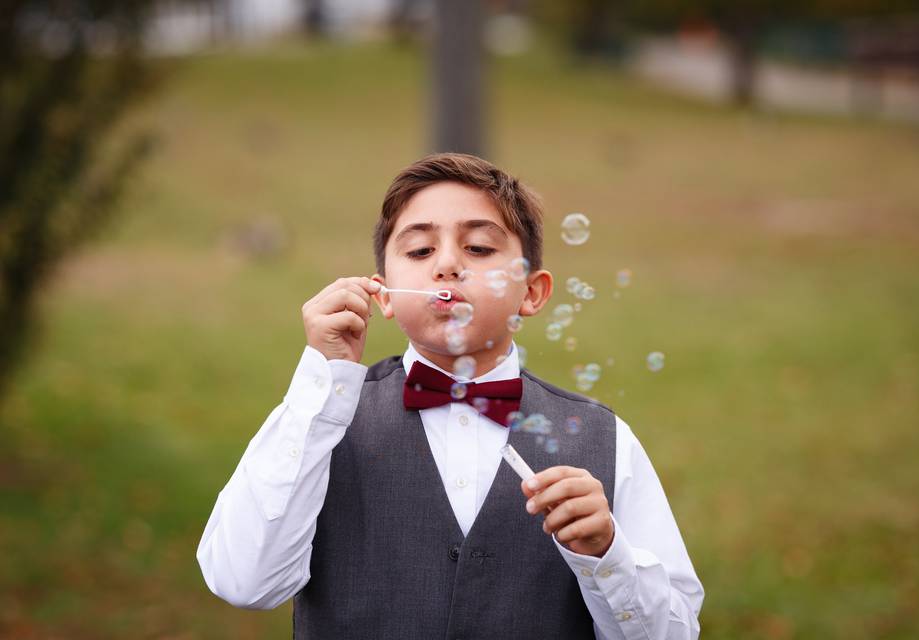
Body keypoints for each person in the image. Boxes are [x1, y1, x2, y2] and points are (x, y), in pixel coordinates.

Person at [197, 153, 704, 639]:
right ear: (385, 293)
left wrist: (606, 553)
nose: (446, 265)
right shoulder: (318, 421)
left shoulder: (605, 440)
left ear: (531, 292)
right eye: (419, 251)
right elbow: (245, 582)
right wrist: (322, 382)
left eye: (479, 248)